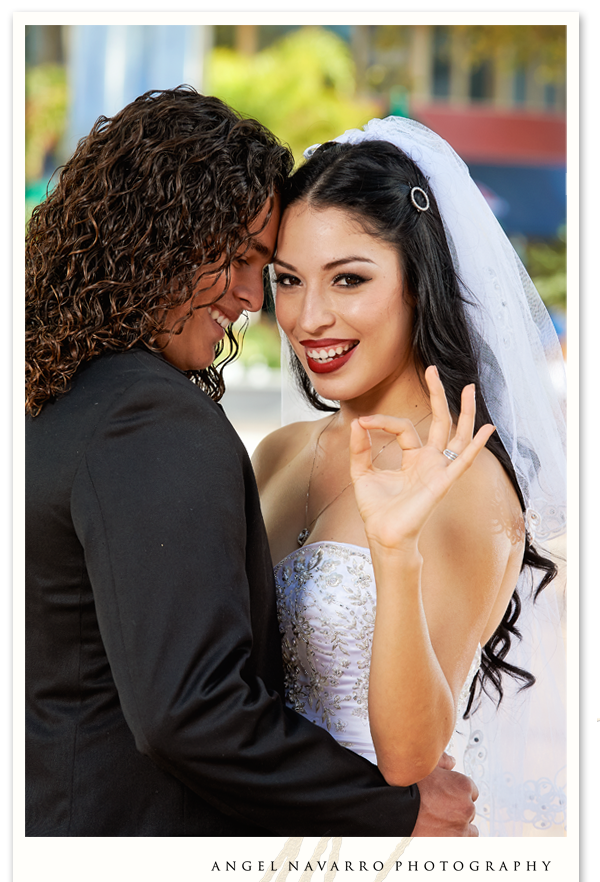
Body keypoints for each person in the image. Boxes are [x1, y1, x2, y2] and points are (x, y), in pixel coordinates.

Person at [25, 88, 479, 837]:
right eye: (246, 264)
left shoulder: (55, 396)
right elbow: (189, 711)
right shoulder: (151, 417)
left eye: (261, 267)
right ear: (155, 240)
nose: (252, 299)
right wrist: (393, 810)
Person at [253, 117, 567, 836]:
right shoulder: (277, 452)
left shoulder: (468, 484)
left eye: (350, 279)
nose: (309, 317)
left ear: (418, 285)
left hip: (380, 852)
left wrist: (395, 555)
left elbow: (408, 760)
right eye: (289, 281)